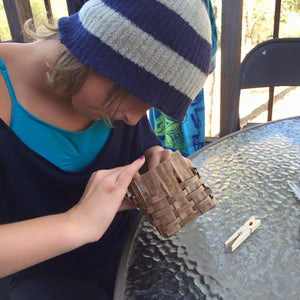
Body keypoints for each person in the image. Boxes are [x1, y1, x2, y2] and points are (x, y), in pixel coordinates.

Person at [0, 0, 212, 299]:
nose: (134, 118)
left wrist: (153, 154)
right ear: (99, 56)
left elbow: (141, 138)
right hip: (49, 272)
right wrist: (75, 223)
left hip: (134, 246)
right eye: (138, 98)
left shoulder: (112, 99)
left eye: (149, 108)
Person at [149, 0, 218, 157]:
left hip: (189, 70)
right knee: (159, 137)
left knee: (188, 132)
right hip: (155, 69)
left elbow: (208, 26)